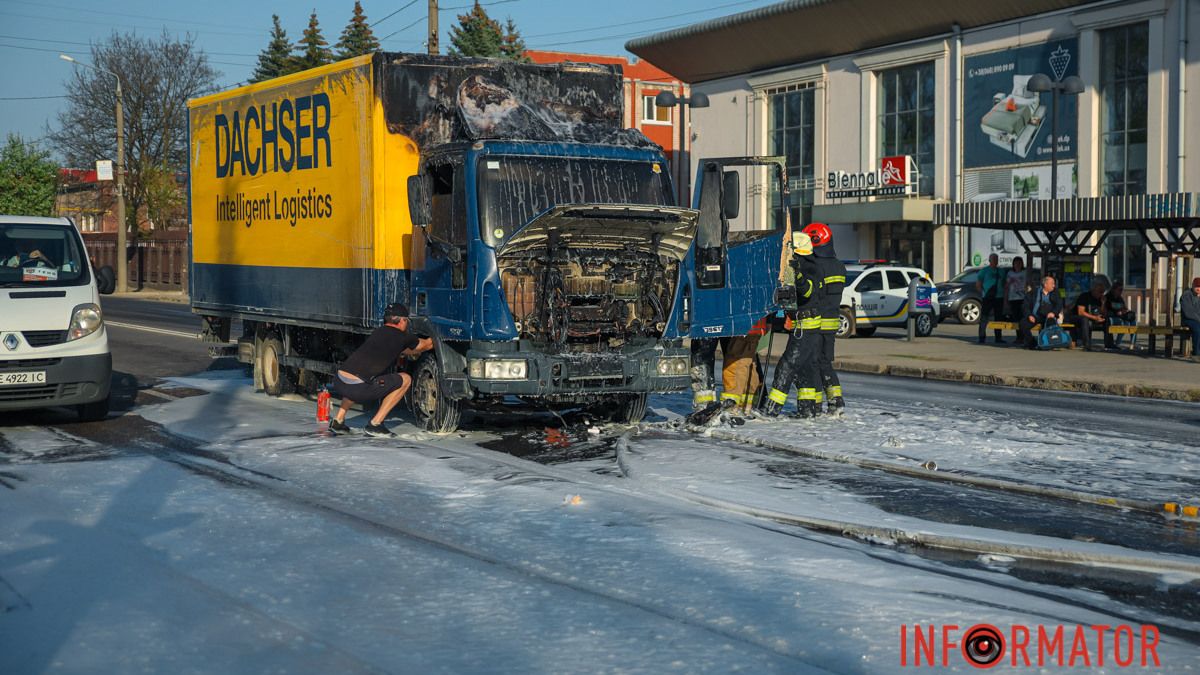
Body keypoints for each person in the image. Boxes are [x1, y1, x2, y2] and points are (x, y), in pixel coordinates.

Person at [328, 303, 433, 437]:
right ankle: (375, 424)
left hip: (340, 381)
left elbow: (399, 348)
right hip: (358, 388)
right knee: (406, 379)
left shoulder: (378, 332)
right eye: (407, 320)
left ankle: (338, 420)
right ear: (402, 320)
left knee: (358, 374)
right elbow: (426, 345)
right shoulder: (403, 337)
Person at [761, 232, 823, 418]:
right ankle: (807, 410)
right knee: (803, 368)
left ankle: (771, 410)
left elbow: (807, 292)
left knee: (786, 366)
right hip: (801, 325)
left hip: (807, 326)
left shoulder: (810, 268)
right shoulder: (799, 266)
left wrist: (798, 274)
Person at [807, 222, 847, 415]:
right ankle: (836, 401)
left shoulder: (815, 266)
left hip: (815, 323)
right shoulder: (839, 266)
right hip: (831, 324)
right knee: (825, 363)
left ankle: (815, 405)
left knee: (813, 363)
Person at [1019, 275, 1064, 349]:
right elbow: (1025, 306)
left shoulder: (1056, 292)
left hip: (1048, 316)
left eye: (1054, 283)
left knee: (1050, 324)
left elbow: (1059, 305)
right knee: (1023, 324)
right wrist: (1029, 315)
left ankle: (1046, 344)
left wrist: (1053, 313)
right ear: (1045, 284)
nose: (1054, 285)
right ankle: (1032, 343)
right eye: (1052, 283)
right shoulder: (1033, 292)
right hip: (1035, 316)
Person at [976, 253, 1006, 344]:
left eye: (996, 259)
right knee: (984, 317)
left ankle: (998, 337)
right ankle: (981, 337)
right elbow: (978, 284)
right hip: (987, 297)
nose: (995, 261)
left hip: (999, 297)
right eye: (993, 259)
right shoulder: (984, 271)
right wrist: (983, 293)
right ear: (989, 260)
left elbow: (1005, 284)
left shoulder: (1001, 271)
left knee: (998, 318)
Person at [1070, 280, 1107, 351]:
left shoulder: (1101, 299)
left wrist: (1103, 303)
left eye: (1103, 292)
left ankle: (1109, 343)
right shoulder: (1084, 296)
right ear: (1094, 290)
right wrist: (1095, 318)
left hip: (1093, 318)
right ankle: (1086, 345)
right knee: (1085, 319)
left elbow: (1104, 313)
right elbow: (1080, 312)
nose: (1102, 294)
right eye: (1100, 291)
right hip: (1076, 317)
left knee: (1107, 320)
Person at [1103, 281, 1136, 349]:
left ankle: (1132, 343)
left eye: (1122, 290)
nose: (1121, 292)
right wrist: (1117, 313)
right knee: (1124, 323)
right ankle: (1118, 343)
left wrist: (1125, 311)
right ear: (1114, 289)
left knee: (1133, 322)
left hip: (1120, 317)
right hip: (1111, 318)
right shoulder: (1108, 297)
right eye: (1120, 290)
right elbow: (1105, 311)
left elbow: (1124, 307)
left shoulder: (1120, 298)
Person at [1004, 257, 1028, 340]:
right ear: (1013, 264)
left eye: (1019, 263)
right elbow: (1006, 287)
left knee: (1023, 318)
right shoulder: (1010, 273)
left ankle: (1025, 336)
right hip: (1013, 298)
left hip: (1023, 298)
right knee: (1016, 318)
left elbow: (1030, 284)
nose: (1017, 265)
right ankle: (1019, 337)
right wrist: (1006, 299)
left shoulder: (1025, 273)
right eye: (1016, 263)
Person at [1181, 276, 1200, 361]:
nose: (1198, 288)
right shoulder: (1186, 295)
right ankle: (1196, 352)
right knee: (1197, 329)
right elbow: (1188, 312)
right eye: (1197, 286)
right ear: (1192, 286)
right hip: (1188, 319)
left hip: (1197, 319)